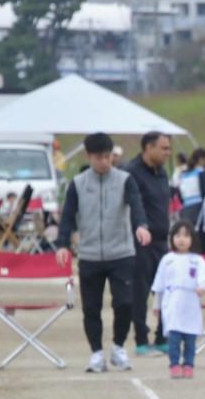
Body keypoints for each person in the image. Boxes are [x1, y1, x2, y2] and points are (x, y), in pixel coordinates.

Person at [55, 132, 152, 373]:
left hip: (121, 252)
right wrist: (62, 244)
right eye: (99, 158)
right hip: (89, 254)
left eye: (108, 157)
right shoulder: (78, 184)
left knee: (125, 303)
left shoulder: (124, 179)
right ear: (89, 157)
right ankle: (96, 353)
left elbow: (136, 204)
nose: (105, 162)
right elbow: (68, 216)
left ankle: (118, 347)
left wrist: (141, 226)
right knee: (91, 307)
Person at [126, 130, 173, 356]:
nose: (168, 152)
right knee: (140, 291)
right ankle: (141, 339)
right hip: (141, 242)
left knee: (165, 289)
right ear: (148, 148)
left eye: (169, 148)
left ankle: (162, 336)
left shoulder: (162, 172)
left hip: (163, 241)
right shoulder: (131, 173)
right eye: (163, 148)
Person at [151, 220, 205, 379]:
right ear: (172, 238)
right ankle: (175, 364)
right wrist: (156, 305)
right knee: (174, 338)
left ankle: (189, 364)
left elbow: (204, 277)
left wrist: (201, 286)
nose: (182, 240)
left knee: (190, 339)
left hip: (191, 304)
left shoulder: (197, 260)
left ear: (192, 239)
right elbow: (159, 284)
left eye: (186, 236)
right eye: (178, 236)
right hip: (173, 305)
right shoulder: (167, 260)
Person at [178, 148, 205, 233]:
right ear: (201, 159)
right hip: (199, 210)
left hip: (186, 210)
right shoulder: (201, 172)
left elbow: (180, 194)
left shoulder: (183, 174)